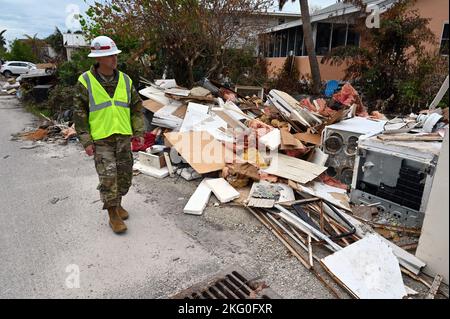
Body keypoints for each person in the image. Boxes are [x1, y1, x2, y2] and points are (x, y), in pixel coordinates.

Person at [73, 36, 144, 234]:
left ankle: (118, 203)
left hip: (123, 137)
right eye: (109, 56)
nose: (114, 59)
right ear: (99, 58)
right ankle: (112, 214)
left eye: (114, 54)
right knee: (108, 178)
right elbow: (79, 113)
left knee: (124, 176)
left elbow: (137, 108)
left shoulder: (125, 79)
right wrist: (85, 140)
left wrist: (138, 130)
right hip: (101, 139)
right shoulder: (85, 81)